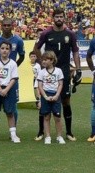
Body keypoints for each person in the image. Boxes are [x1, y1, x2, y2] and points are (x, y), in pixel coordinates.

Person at [33, 8, 80, 142]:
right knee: (44, 100)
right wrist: (43, 63)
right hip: (48, 71)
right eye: (57, 17)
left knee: (65, 101)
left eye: (61, 17)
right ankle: (41, 131)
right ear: (53, 18)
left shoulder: (70, 34)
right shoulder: (46, 33)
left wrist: (78, 69)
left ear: (64, 18)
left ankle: (69, 132)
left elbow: (75, 52)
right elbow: (36, 48)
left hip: (64, 71)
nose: (59, 19)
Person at [0, 17, 26, 140]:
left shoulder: (18, 40)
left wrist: (12, 68)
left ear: (12, 26)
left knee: (12, 106)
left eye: (9, 25)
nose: (6, 27)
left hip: (12, 80)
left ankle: (13, 132)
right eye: (4, 25)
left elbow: (22, 56)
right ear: (1, 26)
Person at [36, 50, 66, 144]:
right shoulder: (41, 72)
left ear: (52, 60)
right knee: (46, 117)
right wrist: (44, 96)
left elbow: (60, 84)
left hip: (56, 96)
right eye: (42, 60)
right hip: (46, 95)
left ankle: (59, 136)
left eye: (46, 59)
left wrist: (57, 95)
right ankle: (47, 136)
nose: (43, 61)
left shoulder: (58, 71)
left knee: (57, 117)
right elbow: (40, 86)